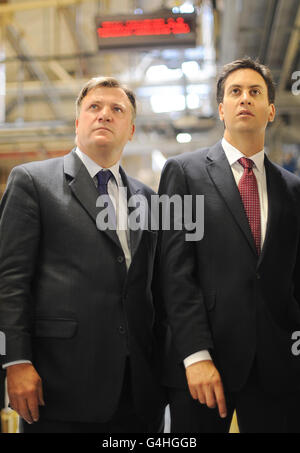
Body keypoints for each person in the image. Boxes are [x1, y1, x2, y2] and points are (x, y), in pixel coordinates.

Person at [0, 77, 165, 433]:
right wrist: (16, 360)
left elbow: (155, 289)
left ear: (131, 129)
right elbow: (10, 280)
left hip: (138, 390)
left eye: (117, 109)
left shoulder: (149, 199)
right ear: (78, 123)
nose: (105, 114)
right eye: (94, 107)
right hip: (60, 383)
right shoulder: (32, 182)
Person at [156, 57, 300, 433]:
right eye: (235, 92)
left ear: (270, 110)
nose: (245, 99)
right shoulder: (182, 173)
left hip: (277, 369)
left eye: (255, 92)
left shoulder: (293, 189)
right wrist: (195, 354)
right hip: (205, 365)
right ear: (222, 109)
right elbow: (174, 272)